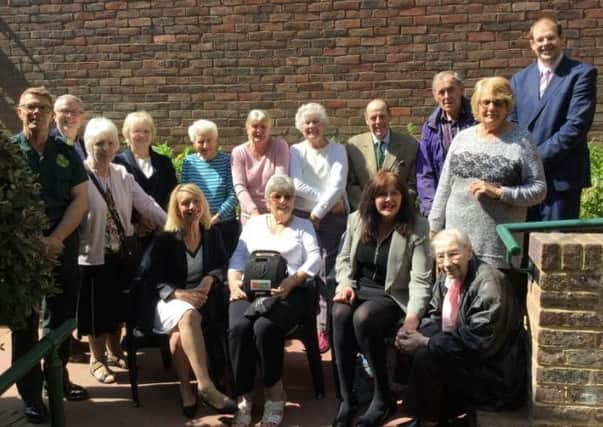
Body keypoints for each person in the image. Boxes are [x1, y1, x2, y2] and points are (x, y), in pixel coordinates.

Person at [11, 86, 89, 423]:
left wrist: (55, 238)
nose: (36, 114)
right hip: (21, 254)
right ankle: (30, 394)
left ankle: (57, 378)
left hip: (61, 248)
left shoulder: (65, 152)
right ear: (19, 112)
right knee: (24, 323)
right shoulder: (8, 153)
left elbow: (81, 199)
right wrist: (30, 242)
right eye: (30, 108)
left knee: (60, 319)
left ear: (50, 114)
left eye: (42, 108)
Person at [395, 229, 527, 427]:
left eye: (453, 253)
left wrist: (426, 341)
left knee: (427, 356)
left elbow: (479, 343)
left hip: (496, 375)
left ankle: (429, 421)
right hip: (473, 357)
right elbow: (435, 314)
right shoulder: (448, 276)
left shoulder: (489, 284)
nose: (447, 262)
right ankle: (432, 415)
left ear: (470, 251)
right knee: (408, 344)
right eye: (440, 256)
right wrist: (411, 335)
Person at [332, 170, 433, 427]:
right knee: (340, 313)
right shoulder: (357, 220)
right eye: (381, 194)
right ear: (371, 198)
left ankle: (382, 397)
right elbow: (344, 260)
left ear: (403, 196)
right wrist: (344, 284)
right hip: (358, 287)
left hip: (392, 295)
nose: (388, 200)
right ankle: (347, 399)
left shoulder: (417, 226)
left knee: (363, 317)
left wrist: (412, 318)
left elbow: (421, 279)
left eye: (394, 193)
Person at [77, 117, 166, 384]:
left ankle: (115, 351)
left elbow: (146, 204)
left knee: (118, 307)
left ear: (116, 145)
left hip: (122, 253)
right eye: (99, 143)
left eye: (110, 143)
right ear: (90, 145)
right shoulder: (80, 174)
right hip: (92, 255)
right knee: (97, 312)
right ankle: (97, 359)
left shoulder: (122, 174)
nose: (105, 148)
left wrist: (173, 224)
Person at [227, 175, 321, 427]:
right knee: (239, 328)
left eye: (288, 196)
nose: (282, 201)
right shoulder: (254, 224)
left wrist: (295, 280)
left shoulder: (303, 225)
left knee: (264, 327)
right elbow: (238, 255)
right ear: (268, 200)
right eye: (277, 196)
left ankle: (274, 395)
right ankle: (244, 396)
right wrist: (234, 281)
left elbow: (315, 258)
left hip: (289, 291)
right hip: (250, 289)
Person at [428, 76, 546, 272]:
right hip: (456, 246)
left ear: (507, 106)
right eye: (486, 102)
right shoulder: (462, 138)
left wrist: (500, 192)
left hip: (497, 249)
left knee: (493, 300)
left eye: (498, 103)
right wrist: (434, 226)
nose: (491, 108)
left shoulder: (522, 140)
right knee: (454, 300)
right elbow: (445, 185)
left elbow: (539, 190)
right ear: (477, 105)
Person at [145, 184, 237, 418]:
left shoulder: (211, 233)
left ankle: (185, 388)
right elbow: (151, 277)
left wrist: (208, 279)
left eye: (196, 201)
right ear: (176, 208)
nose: (192, 207)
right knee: (188, 315)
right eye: (185, 203)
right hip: (168, 300)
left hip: (204, 297)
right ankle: (206, 386)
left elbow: (222, 264)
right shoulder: (165, 239)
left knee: (177, 336)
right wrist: (178, 294)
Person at [509, 14, 597, 221]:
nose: (545, 44)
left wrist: (534, 159)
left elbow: (576, 126)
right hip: (525, 182)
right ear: (532, 44)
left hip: (561, 180)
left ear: (561, 39)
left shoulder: (581, 74)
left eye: (550, 38)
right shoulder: (519, 79)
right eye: (540, 39)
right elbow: (511, 123)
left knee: (555, 244)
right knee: (523, 245)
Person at [289, 102, 348, 352]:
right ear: (301, 127)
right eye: (307, 122)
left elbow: (338, 183)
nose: (312, 126)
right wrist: (323, 205)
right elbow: (296, 183)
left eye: (316, 122)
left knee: (328, 269)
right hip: (306, 214)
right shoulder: (295, 151)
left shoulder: (338, 150)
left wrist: (319, 209)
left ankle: (325, 328)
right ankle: (307, 325)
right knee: (304, 267)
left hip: (331, 218)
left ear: (324, 125)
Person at [416, 72, 476, 216]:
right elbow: (425, 171)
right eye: (441, 92)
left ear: (462, 90)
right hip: (446, 204)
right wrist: (430, 208)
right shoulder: (430, 127)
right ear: (435, 96)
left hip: (476, 201)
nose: (446, 96)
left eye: (450, 90)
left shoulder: (478, 118)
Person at [113, 111, 177, 248]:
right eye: (136, 131)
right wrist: (138, 221)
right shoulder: (117, 163)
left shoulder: (164, 162)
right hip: (132, 235)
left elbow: (173, 195)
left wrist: (164, 219)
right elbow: (115, 198)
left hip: (162, 232)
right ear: (126, 134)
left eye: (146, 131)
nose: (142, 135)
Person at [346, 99, 418, 211]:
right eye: (373, 118)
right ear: (366, 120)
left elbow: (412, 184)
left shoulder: (409, 145)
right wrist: (367, 207)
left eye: (382, 116)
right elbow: (351, 185)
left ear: (390, 117)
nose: (378, 122)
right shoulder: (353, 146)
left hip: (398, 213)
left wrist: (395, 207)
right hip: (365, 213)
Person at [182, 119, 239, 256]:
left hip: (223, 224)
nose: (206, 145)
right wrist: (198, 218)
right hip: (197, 225)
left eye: (210, 140)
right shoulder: (189, 162)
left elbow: (233, 194)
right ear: (193, 142)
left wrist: (217, 217)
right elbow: (184, 193)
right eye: (201, 141)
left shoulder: (227, 160)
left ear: (216, 141)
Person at [231, 109, 289, 224]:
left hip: (275, 212)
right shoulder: (238, 152)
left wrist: (272, 212)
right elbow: (239, 186)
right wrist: (254, 212)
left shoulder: (279, 146)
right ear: (247, 128)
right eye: (255, 126)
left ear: (269, 129)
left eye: (263, 127)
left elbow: (280, 182)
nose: (259, 130)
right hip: (250, 215)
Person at [51, 94, 87, 160]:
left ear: (82, 117)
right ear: (54, 115)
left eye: (74, 112)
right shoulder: (46, 143)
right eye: (65, 111)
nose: (70, 116)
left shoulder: (86, 147)